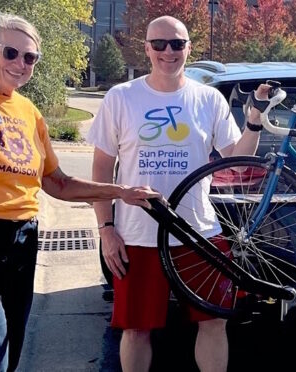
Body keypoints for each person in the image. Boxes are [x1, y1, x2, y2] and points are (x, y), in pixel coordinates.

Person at [0, 14, 159, 372]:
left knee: (9, 350)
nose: (20, 64)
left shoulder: (29, 112)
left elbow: (58, 183)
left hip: (22, 239)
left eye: (30, 57)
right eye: (11, 52)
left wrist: (121, 191)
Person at [88, 16, 272, 372]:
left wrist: (254, 121)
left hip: (199, 233)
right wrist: (106, 230)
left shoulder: (208, 99)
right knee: (137, 328)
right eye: (158, 44)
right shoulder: (121, 98)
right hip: (137, 235)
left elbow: (235, 162)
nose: (167, 52)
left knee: (214, 321)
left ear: (189, 48)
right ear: (146, 49)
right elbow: (100, 172)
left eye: (176, 44)